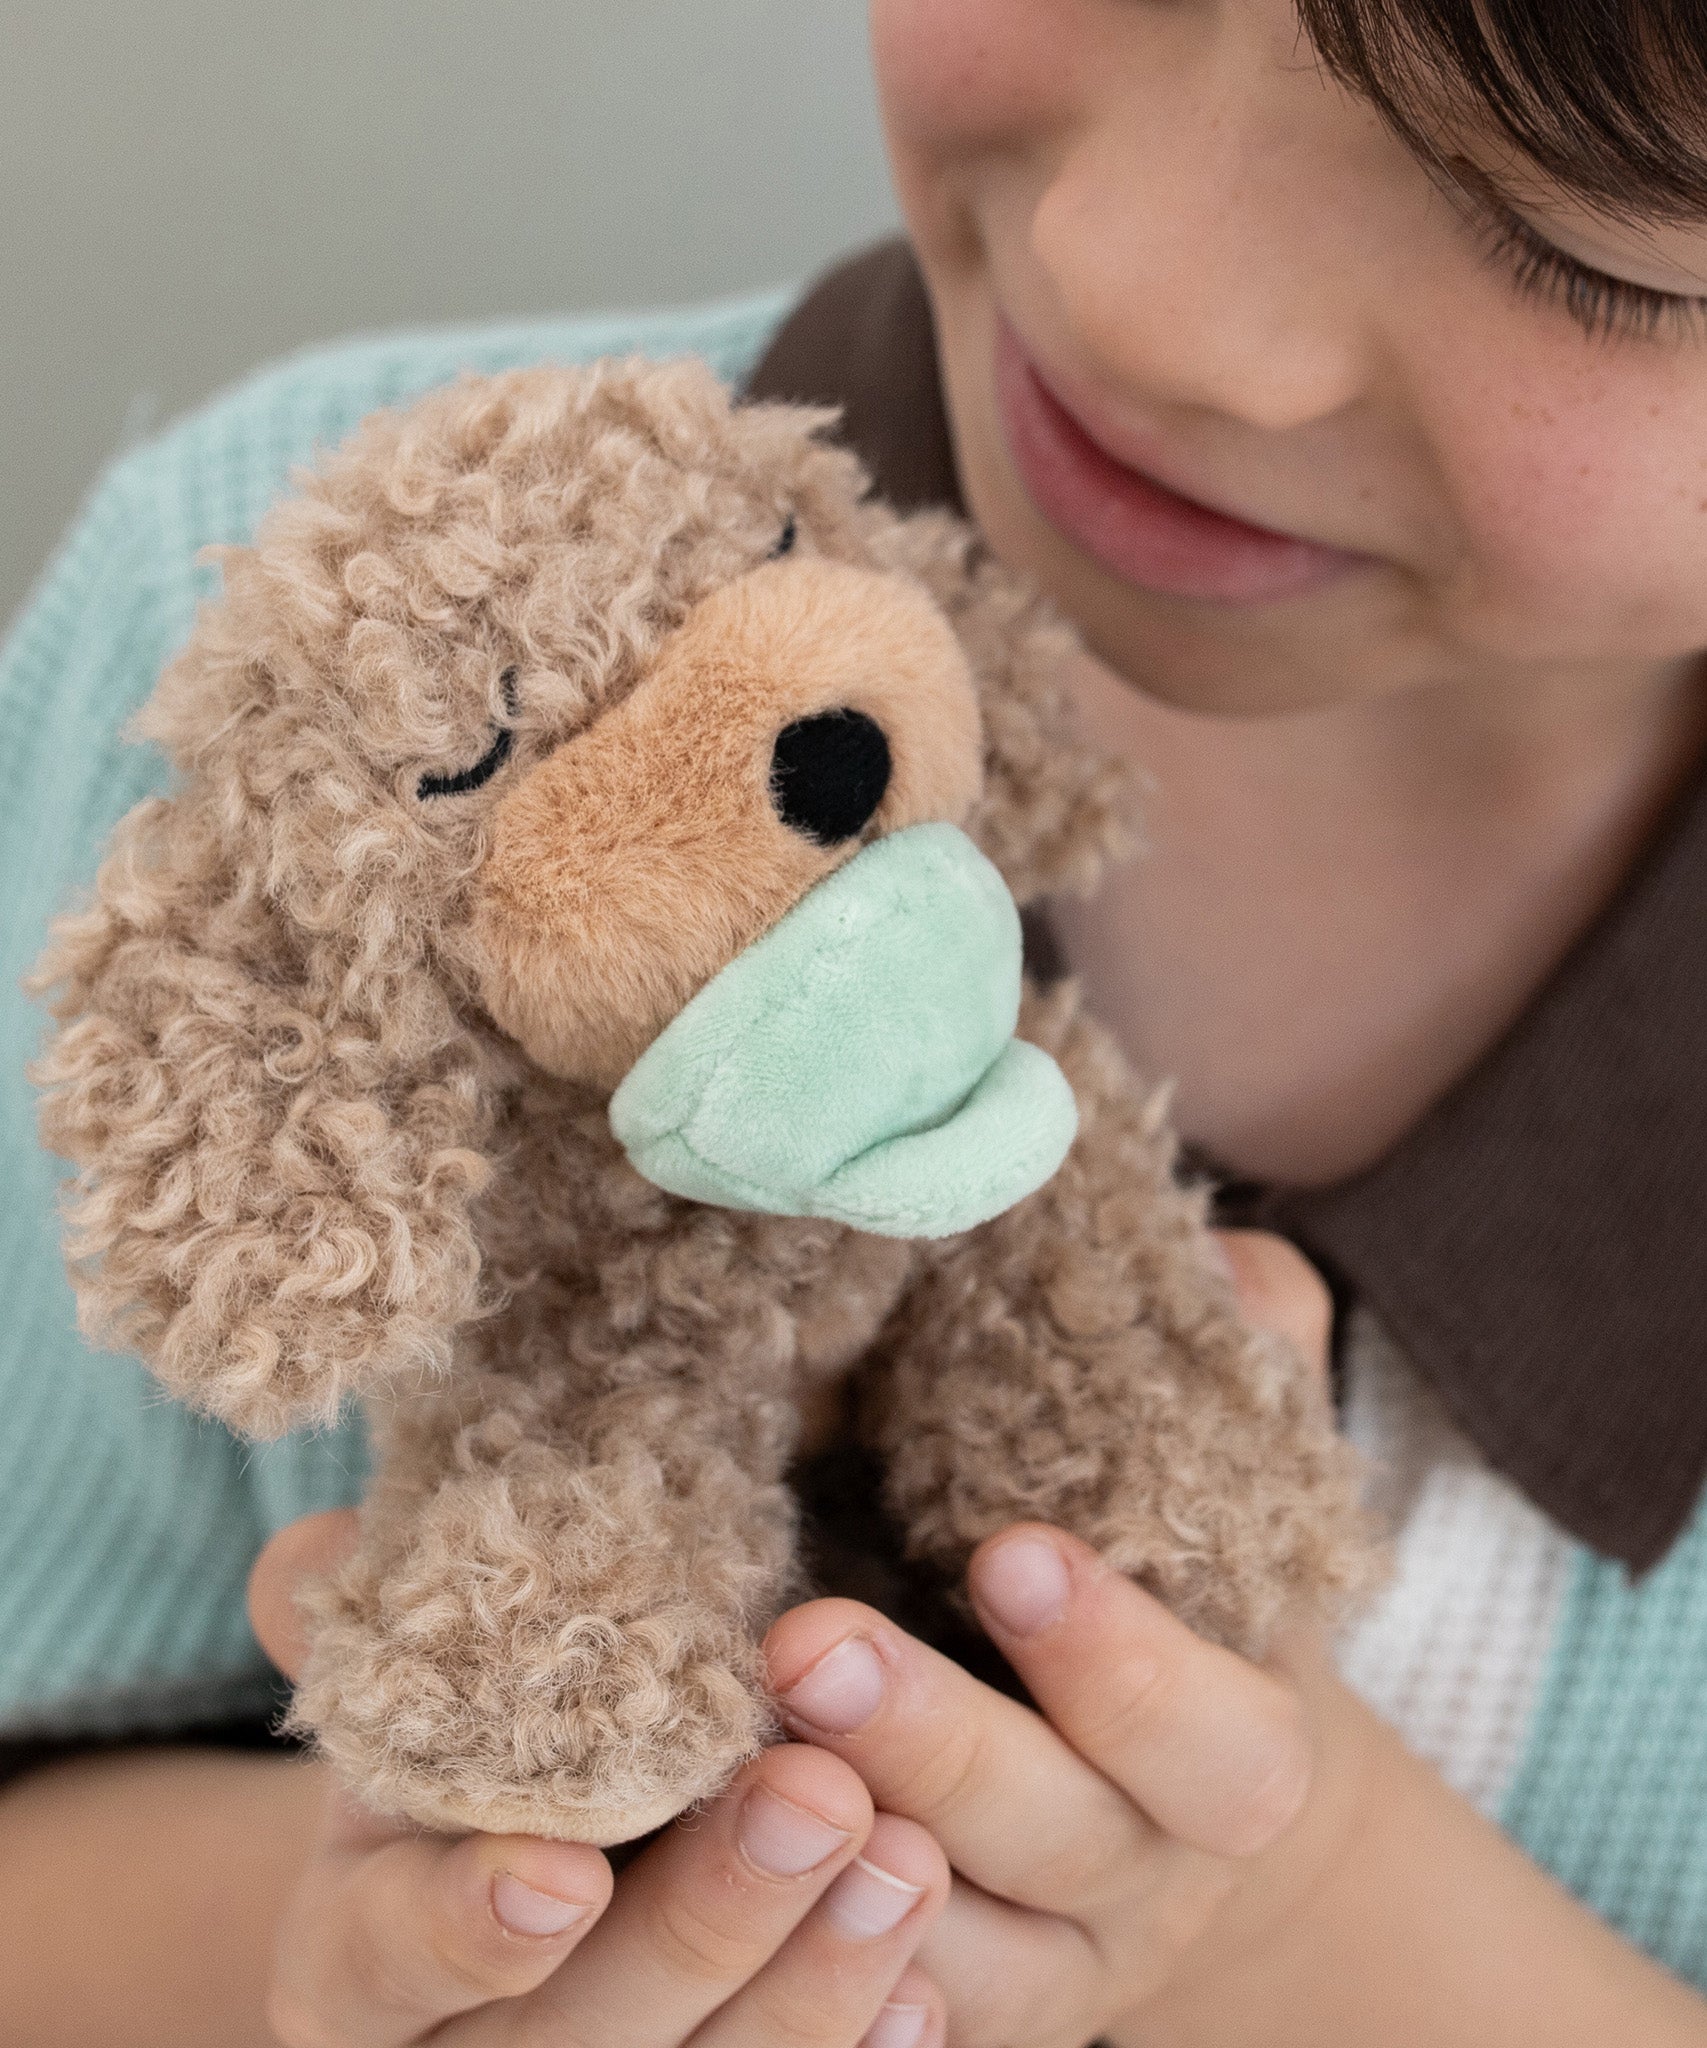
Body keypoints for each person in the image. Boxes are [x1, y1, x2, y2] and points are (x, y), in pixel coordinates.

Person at [5, 0, 1707, 2039]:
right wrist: (349, 1956)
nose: (1137, 292)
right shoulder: (267, 652)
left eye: (1580, 231)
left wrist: (1290, 1915)